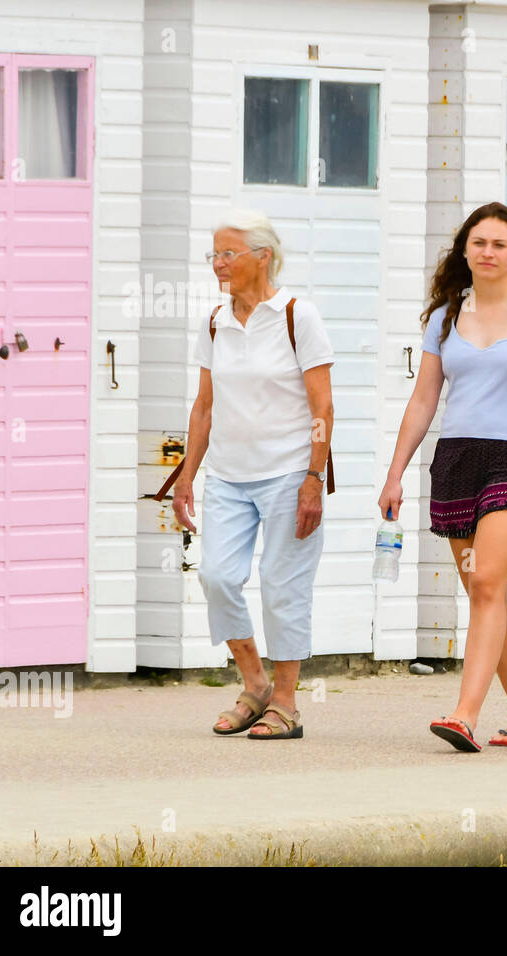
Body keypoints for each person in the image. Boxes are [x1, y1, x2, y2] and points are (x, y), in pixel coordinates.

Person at [377, 202, 507, 753]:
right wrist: (395, 473)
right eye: (478, 243)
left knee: (488, 582)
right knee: (481, 588)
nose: (488, 252)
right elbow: (423, 400)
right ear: (464, 251)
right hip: (457, 460)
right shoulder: (445, 316)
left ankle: (464, 714)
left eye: (499, 244)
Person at [173, 209, 335, 740]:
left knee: (281, 586)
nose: (218, 264)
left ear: (262, 256)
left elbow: (322, 406)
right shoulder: (215, 321)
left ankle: (286, 702)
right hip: (227, 475)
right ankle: (255, 683)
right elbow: (204, 406)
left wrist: (314, 477)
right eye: (214, 254)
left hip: (289, 473)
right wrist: (185, 476)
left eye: (228, 254)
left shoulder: (296, 316)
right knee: (217, 576)